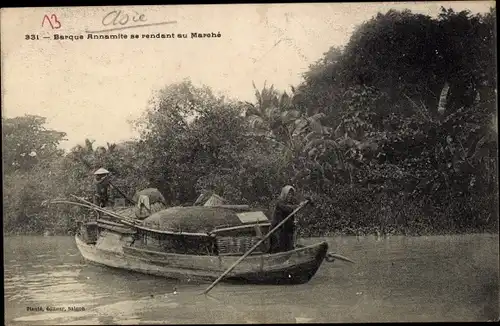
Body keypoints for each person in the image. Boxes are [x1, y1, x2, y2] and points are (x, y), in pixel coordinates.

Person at [269, 185, 299, 253]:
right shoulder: (279, 203)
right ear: (284, 194)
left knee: (289, 246)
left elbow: (291, 216)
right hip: (277, 229)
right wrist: (297, 206)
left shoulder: (290, 204)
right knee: (279, 246)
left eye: (291, 194)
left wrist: (293, 223)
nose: (290, 196)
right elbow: (286, 208)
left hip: (287, 229)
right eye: (288, 194)